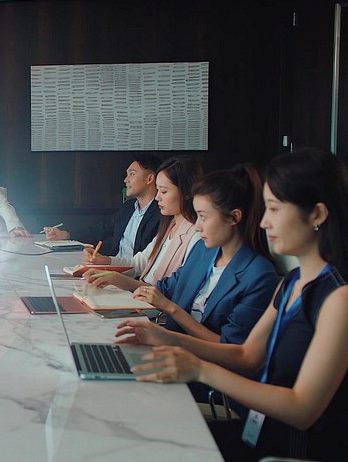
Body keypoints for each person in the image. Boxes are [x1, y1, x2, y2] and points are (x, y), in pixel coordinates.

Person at [115, 149, 348, 461]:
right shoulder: (292, 282)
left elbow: (302, 409)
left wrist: (200, 369)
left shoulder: (338, 299)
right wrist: (164, 337)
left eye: (275, 209)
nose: (264, 222)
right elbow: (246, 355)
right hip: (259, 432)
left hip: (291, 449)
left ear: (317, 215)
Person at [131, 165, 279, 345]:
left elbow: (231, 348)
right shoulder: (203, 251)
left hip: (200, 359)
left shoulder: (259, 275)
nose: (197, 226)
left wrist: (170, 308)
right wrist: (122, 287)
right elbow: (166, 289)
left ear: (234, 217)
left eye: (203, 217)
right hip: (170, 347)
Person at [84, 156, 203, 290]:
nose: (157, 197)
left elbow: (170, 290)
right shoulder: (170, 226)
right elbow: (139, 262)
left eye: (164, 191)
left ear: (186, 193)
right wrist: (106, 262)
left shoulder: (196, 235)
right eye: (158, 190)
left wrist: (116, 278)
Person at [44, 155, 161, 257]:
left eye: (132, 174)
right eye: (127, 175)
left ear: (150, 178)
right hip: (115, 267)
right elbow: (100, 230)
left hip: (136, 273)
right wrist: (65, 234)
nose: (126, 180)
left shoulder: (161, 213)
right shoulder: (128, 208)